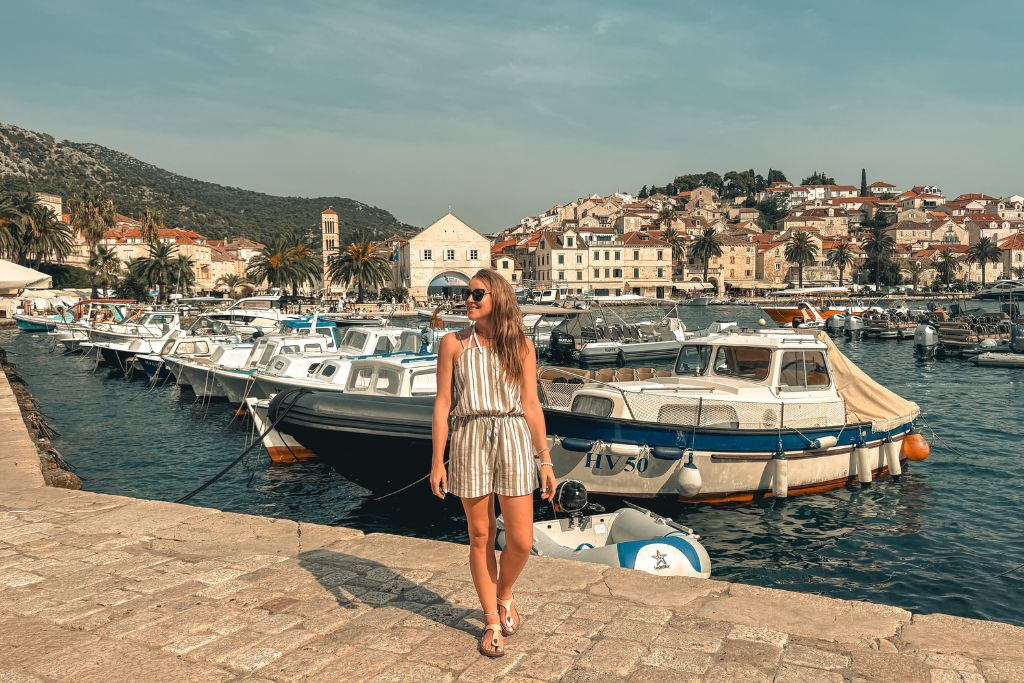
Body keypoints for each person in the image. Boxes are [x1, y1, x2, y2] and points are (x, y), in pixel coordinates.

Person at [431, 269, 557, 658]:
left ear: (497, 298)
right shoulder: (452, 344)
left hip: (513, 436)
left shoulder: (520, 346)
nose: (468, 300)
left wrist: (545, 460)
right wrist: (438, 461)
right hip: (469, 438)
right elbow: (442, 405)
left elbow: (531, 405)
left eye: (476, 294)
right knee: (481, 535)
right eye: (466, 294)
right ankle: (489, 618)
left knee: (522, 539)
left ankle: (505, 592)